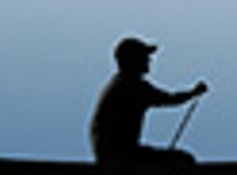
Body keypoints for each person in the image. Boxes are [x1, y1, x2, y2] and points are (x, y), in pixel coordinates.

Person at [89, 36, 209, 165]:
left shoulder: (120, 84)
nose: (149, 59)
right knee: (183, 160)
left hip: (113, 154)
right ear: (132, 60)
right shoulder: (132, 86)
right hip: (121, 156)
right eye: (144, 56)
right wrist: (193, 92)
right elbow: (170, 99)